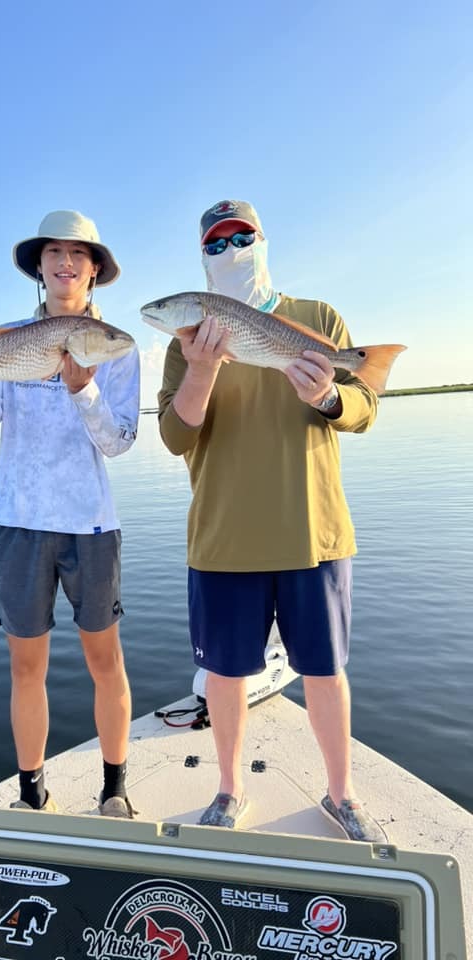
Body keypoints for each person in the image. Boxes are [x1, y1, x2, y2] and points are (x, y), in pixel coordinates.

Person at [157, 199, 388, 842]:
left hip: (314, 531)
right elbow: (175, 436)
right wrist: (202, 368)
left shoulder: (318, 318)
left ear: (263, 241)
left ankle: (342, 794)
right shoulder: (184, 341)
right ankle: (229, 790)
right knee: (224, 674)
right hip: (223, 536)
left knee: (326, 670)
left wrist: (329, 395)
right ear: (201, 258)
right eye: (215, 243)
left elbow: (365, 409)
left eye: (241, 237)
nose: (230, 251)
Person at [0, 210, 140, 818]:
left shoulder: (115, 347)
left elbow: (119, 441)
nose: (66, 262)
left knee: (106, 661)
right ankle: (31, 794)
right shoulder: (10, 340)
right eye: (54, 252)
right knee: (25, 667)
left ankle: (114, 789)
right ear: (40, 266)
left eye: (78, 253)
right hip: (18, 521)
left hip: (91, 525)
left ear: (95, 270)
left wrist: (84, 388)